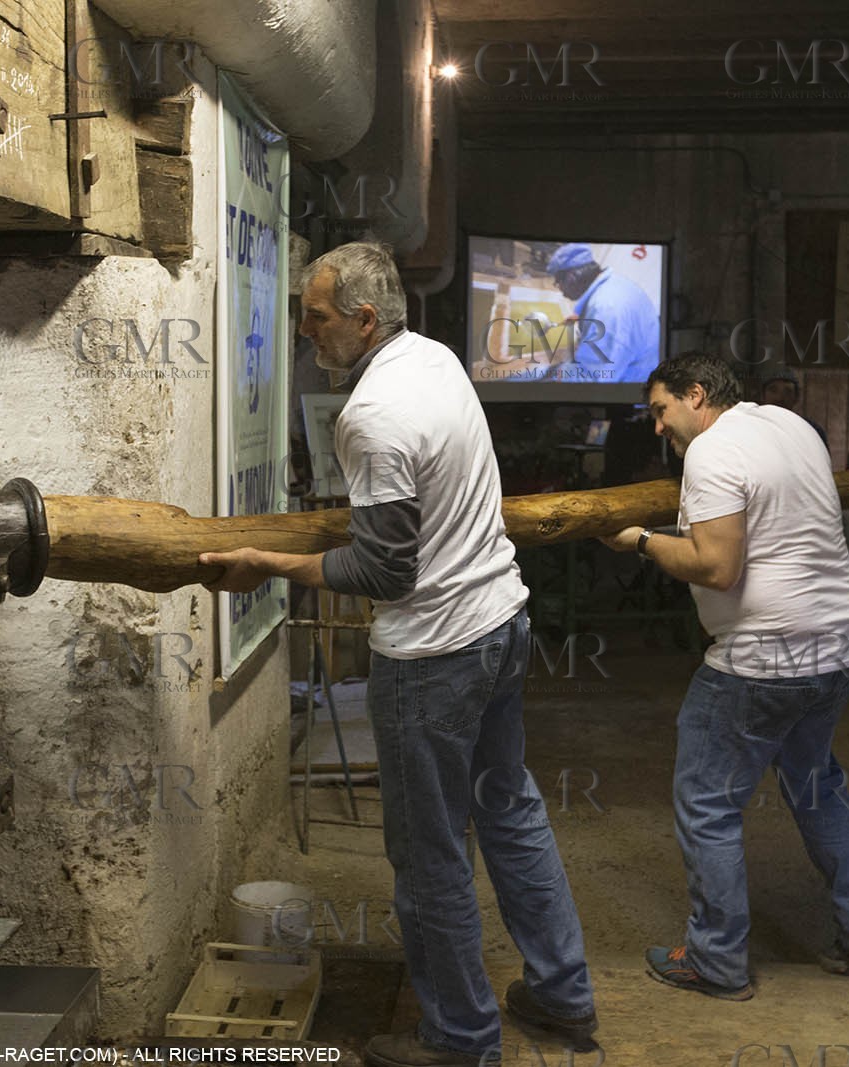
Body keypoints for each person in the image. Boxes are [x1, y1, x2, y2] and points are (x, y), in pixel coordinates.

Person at [198, 242, 596, 1067]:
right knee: (510, 810)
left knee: (427, 856)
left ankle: (460, 1040)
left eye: (317, 316)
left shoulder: (371, 415)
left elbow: (383, 566)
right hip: (501, 622)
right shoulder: (437, 358)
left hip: (436, 654)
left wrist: (269, 564)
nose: (307, 330)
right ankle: (561, 992)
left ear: (364, 320)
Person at [600, 352, 849, 1000]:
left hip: (760, 661)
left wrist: (643, 540)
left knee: (707, 803)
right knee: (819, 787)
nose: (657, 427)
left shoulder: (711, 452)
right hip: (835, 652)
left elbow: (716, 566)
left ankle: (716, 960)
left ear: (697, 394)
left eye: (661, 410)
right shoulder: (790, 425)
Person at [538, 242, 660, 385]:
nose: (560, 290)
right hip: (633, 367)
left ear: (571, 278)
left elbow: (593, 380)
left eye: (558, 283)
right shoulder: (613, 283)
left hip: (631, 388)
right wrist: (584, 316)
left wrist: (558, 373)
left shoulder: (606, 310)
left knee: (540, 377)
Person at [758, 364, 829, 446]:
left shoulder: (810, 430)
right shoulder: (753, 426)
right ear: (762, 395)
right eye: (773, 390)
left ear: (796, 398)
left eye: (787, 392)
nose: (780, 398)